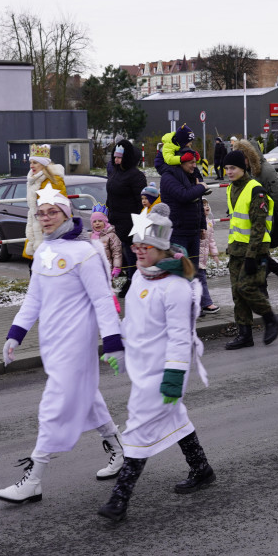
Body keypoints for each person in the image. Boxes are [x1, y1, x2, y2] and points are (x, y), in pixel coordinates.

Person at [0, 184, 126, 503]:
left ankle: (34, 479)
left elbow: (102, 299)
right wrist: (15, 334)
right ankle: (122, 451)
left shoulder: (86, 253)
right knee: (91, 400)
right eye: (40, 213)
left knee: (52, 409)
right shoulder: (43, 252)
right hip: (53, 346)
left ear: (67, 213)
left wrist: (112, 342)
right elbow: (34, 299)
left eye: (52, 212)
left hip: (77, 346)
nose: (45, 218)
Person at [97, 204, 214, 522]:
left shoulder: (174, 288)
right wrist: (117, 345)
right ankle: (201, 469)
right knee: (176, 418)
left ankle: (119, 500)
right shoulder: (141, 278)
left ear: (160, 248)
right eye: (134, 247)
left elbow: (180, 338)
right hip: (142, 366)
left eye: (144, 247)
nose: (137, 252)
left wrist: (174, 377)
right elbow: (132, 319)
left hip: (163, 372)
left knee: (138, 429)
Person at [223, 149, 278, 349]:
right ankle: (244, 335)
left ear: (244, 167)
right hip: (236, 249)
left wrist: (251, 256)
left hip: (254, 250)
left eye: (233, 168)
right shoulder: (231, 188)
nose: (229, 172)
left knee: (246, 288)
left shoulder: (255, 190)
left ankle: (271, 318)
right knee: (237, 294)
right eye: (227, 168)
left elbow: (258, 226)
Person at [235, 139, 278, 288]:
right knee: (259, 256)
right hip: (250, 222)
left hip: (263, 221)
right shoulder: (247, 171)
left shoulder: (266, 170)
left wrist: (271, 216)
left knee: (259, 256)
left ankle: (263, 292)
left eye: (243, 156)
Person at [106, 140, 147, 296]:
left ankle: (133, 281)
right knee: (120, 254)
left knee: (131, 255)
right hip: (116, 220)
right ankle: (130, 279)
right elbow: (110, 196)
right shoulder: (115, 172)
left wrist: (139, 223)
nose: (116, 160)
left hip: (131, 223)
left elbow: (141, 202)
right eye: (115, 157)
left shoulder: (136, 176)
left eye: (120, 157)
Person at [159, 147, 211, 267]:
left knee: (193, 272)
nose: (194, 165)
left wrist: (202, 225)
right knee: (181, 271)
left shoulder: (190, 175)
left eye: (195, 162)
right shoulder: (168, 177)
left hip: (193, 232)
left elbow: (198, 202)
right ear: (180, 162)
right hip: (178, 233)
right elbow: (184, 196)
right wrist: (201, 187)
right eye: (191, 162)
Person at [24, 143, 67, 259]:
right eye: (30, 163)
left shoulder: (54, 179)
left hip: (49, 228)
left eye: (35, 162)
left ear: (43, 164)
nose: (31, 166)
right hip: (36, 226)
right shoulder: (33, 179)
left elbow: (61, 207)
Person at [197, 198, 220, 315]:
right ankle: (206, 303)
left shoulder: (209, 223)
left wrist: (214, 254)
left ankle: (199, 305)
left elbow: (211, 241)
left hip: (203, 259)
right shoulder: (197, 222)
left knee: (199, 281)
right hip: (197, 258)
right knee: (201, 281)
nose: (206, 207)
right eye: (203, 205)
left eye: (207, 205)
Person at [90, 204, 123, 279]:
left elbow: (117, 252)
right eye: (94, 221)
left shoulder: (111, 236)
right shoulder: (91, 236)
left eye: (100, 221)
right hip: (94, 270)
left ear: (105, 222)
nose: (97, 223)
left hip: (108, 270)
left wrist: (116, 267)